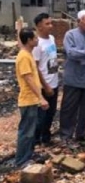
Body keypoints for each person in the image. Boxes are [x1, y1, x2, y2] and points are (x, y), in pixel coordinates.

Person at [59, 10, 85, 143]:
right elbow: (71, 53)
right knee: (69, 108)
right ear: (78, 22)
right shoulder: (70, 35)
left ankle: (81, 134)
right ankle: (66, 136)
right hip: (74, 79)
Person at [15, 28, 49, 167]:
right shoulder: (23, 56)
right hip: (28, 100)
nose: (37, 40)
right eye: (35, 38)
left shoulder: (28, 54)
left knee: (31, 130)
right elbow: (28, 79)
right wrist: (41, 97)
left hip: (32, 100)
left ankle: (28, 156)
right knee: (26, 132)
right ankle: (22, 161)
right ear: (29, 40)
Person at [32, 13, 58, 146]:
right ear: (38, 26)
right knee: (41, 115)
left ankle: (46, 137)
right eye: (47, 24)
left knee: (51, 113)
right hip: (44, 85)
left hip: (54, 82)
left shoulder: (52, 38)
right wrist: (45, 85)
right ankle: (36, 139)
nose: (51, 26)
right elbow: (35, 68)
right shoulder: (37, 44)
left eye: (51, 23)